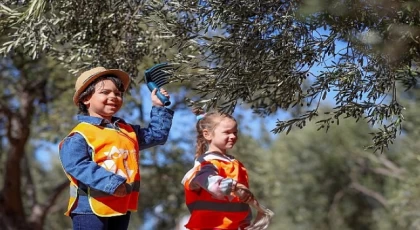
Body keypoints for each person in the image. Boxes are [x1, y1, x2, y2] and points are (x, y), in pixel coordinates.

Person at [59, 66, 174, 230]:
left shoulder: (127, 131)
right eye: (105, 92)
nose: (113, 96)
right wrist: (112, 184)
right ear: (86, 99)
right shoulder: (80, 135)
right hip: (89, 209)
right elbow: (76, 165)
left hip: (121, 206)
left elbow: (157, 135)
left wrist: (159, 107)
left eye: (118, 93)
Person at [181, 108, 255, 230]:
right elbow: (207, 180)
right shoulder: (207, 163)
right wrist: (226, 185)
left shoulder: (237, 165)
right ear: (207, 134)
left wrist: (246, 225)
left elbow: (242, 203)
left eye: (235, 132)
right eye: (227, 132)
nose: (232, 136)